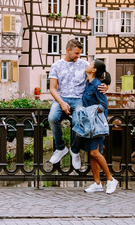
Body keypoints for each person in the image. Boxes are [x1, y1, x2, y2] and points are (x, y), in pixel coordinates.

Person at [48, 39, 108, 169]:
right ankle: (60, 148)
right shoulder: (56, 65)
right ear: (68, 50)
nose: (78, 56)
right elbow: (52, 88)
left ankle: (74, 151)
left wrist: (106, 85)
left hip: (79, 99)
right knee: (52, 118)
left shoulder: (84, 64)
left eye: (80, 53)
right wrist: (62, 102)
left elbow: (100, 73)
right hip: (61, 98)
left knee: (78, 121)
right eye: (76, 53)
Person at [80, 60, 118, 194]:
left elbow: (104, 105)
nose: (87, 65)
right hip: (89, 123)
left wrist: (90, 112)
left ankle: (111, 179)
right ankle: (97, 183)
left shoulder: (97, 85)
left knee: (95, 152)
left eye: (90, 64)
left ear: (94, 70)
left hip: (96, 124)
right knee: (91, 154)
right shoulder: (87, 83)